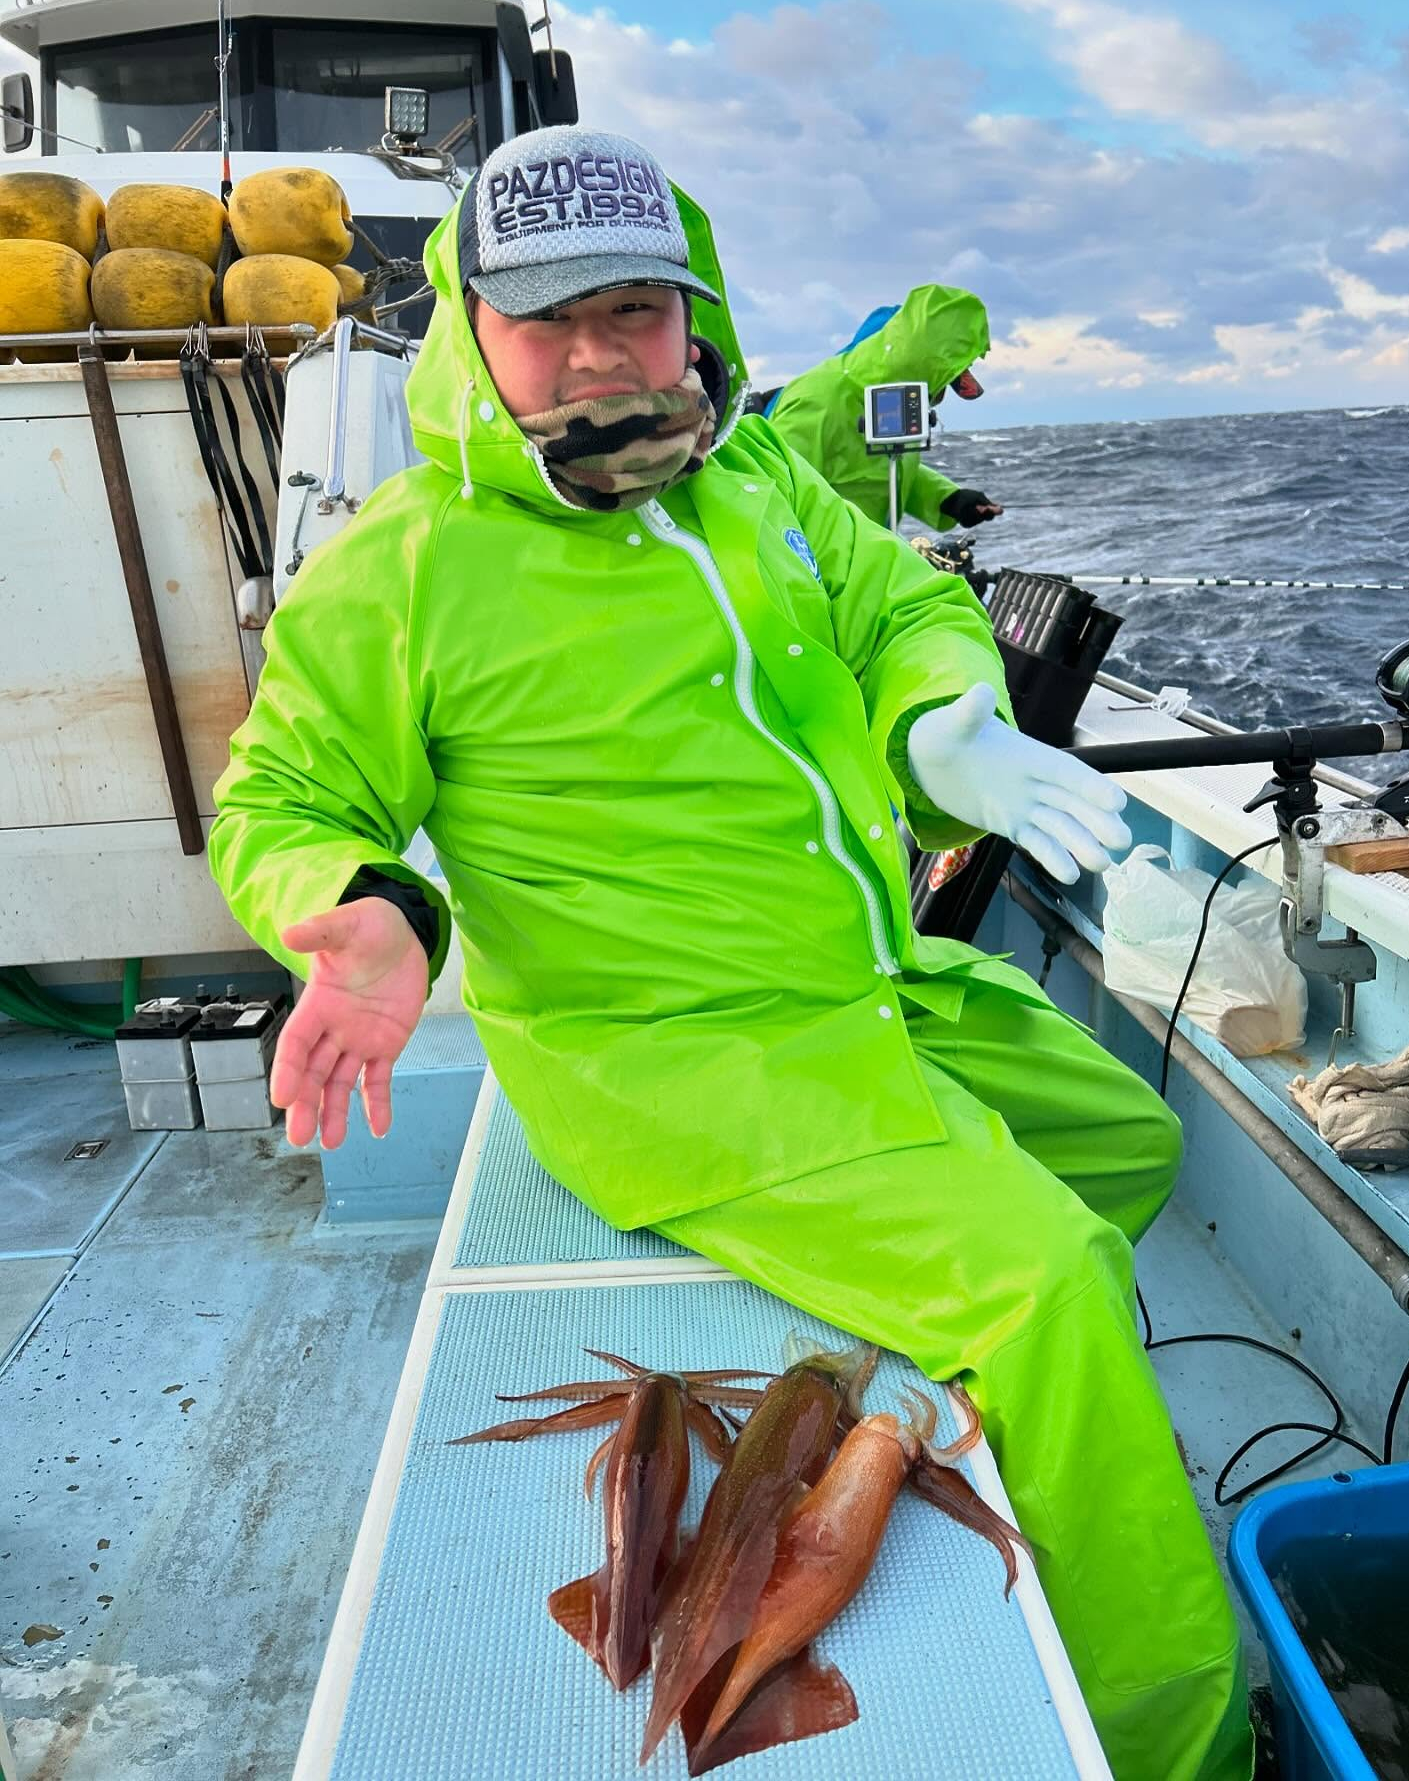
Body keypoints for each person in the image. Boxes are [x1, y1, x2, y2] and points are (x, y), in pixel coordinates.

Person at [208, 124, 1252, 1781]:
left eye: (634, 309)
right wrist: (371, 914)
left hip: (863, 988)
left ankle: (922, 1362)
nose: (595, 357)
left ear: (692, 314)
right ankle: (1172, 1736)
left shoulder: (754, 478)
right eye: (547, 318)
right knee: (1054, 1285)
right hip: (681, 1063)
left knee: (1129, 1138)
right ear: (469, 328)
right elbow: (283, 796)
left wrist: (948, 718)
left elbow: (895, 602)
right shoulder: (401, 574)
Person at [762, 286, 1004, 531]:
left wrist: (947, 499)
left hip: (866, 554)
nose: (939, 397)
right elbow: (774, 492)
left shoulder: (893, 394)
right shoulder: (818, 401)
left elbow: (880, 471)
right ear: (926, 366)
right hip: (819, 559)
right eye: (944, 382)